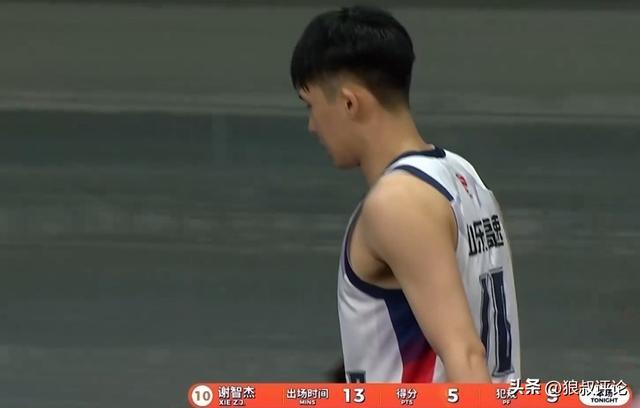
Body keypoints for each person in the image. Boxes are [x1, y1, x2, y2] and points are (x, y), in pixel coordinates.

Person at [290, 5, 520, 383]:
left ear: (349, 102)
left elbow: (465, 356)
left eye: (311, 106)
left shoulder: (397, 203)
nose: (312, 126)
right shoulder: (462, 175)